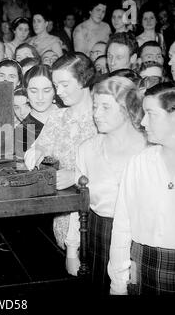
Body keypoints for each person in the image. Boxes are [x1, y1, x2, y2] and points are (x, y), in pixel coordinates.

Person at [64, 76, 147, 295]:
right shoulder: (88, 149)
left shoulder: (148, 149)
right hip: (98, 234)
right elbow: (78, 204)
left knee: (133, 287)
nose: (96, 114)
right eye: (95, 106)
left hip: (137, 240)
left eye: (105, 107)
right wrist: (72, 250)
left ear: (127, 108)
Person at [24, 53, 98, 250]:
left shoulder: (102, 117)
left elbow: (117, 169)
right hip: (63, 221)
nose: (59, 92)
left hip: (95, 219)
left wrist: (76, 176)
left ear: (83, 79)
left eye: (64, 84)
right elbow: (38, 147)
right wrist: (36, 152)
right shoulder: (58, 116)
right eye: (56, 86)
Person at [108, 82, 175, 295]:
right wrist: (118, 283)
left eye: (151, 114)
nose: (143, 122)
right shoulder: (139, 164)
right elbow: (122, 226)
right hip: (144, 264)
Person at [15, 64, 58, 154]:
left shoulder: (69, 115)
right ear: (26, 91)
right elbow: (21, 166)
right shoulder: (23, 131)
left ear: (55, 90)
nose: (40, 97)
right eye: (33, 91)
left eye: (46, 90)